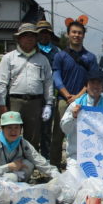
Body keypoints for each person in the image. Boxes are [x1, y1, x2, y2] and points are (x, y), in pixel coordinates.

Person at [0, 23, 54, 151]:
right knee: (11, 133)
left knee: (33, 137)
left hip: (35, 102)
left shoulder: (43, 60)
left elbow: (48, 82)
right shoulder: (8, 58)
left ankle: (28, 166)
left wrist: (48, 103)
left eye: (32, 36)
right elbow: (1, 83)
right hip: (14, 101)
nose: (29, 38)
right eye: (25, 35)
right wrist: (1, 104)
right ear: (19, 38)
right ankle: (10, 163)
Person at [51, 15, 98, 168]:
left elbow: (92, 79)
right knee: (58, 134)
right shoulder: (60, 55)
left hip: (84, 101)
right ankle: (55, 166)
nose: (77, 35)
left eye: (80, 32)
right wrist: (67, 95)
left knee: (84, 133)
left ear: (84, 35)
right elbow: (56, 76)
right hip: (64, 100)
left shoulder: (90, 57)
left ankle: (83, 163)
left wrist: (78, 97)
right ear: (68, 34)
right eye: (74, 32)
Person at [0, 111, 57, 182]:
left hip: (13, 175)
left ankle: (18, 185)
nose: (13, 131)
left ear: (21, 128)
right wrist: (9, 167)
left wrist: (56, 175)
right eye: (9, 127)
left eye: (16, 127)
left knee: (28, 164)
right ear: (2, 128)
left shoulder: (22, 142)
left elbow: (38, 159)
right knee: (12, 177)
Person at [60, 70, 103, 170]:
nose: (95, 86)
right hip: (76, 156)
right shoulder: (75, 105)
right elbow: (65, 129)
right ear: (86, 86)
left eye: (99, 83)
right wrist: (73, 117)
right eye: (92, 83)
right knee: (74, 183)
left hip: (100, 156)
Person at [36, 20, 61, 160]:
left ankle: (45, 156)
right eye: (41, 33)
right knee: (32, 128)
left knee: (46, 128)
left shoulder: (57, 52)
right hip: (34, 92)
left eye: (47, 33)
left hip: (49, 94)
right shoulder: (33, 49)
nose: (44, 36)